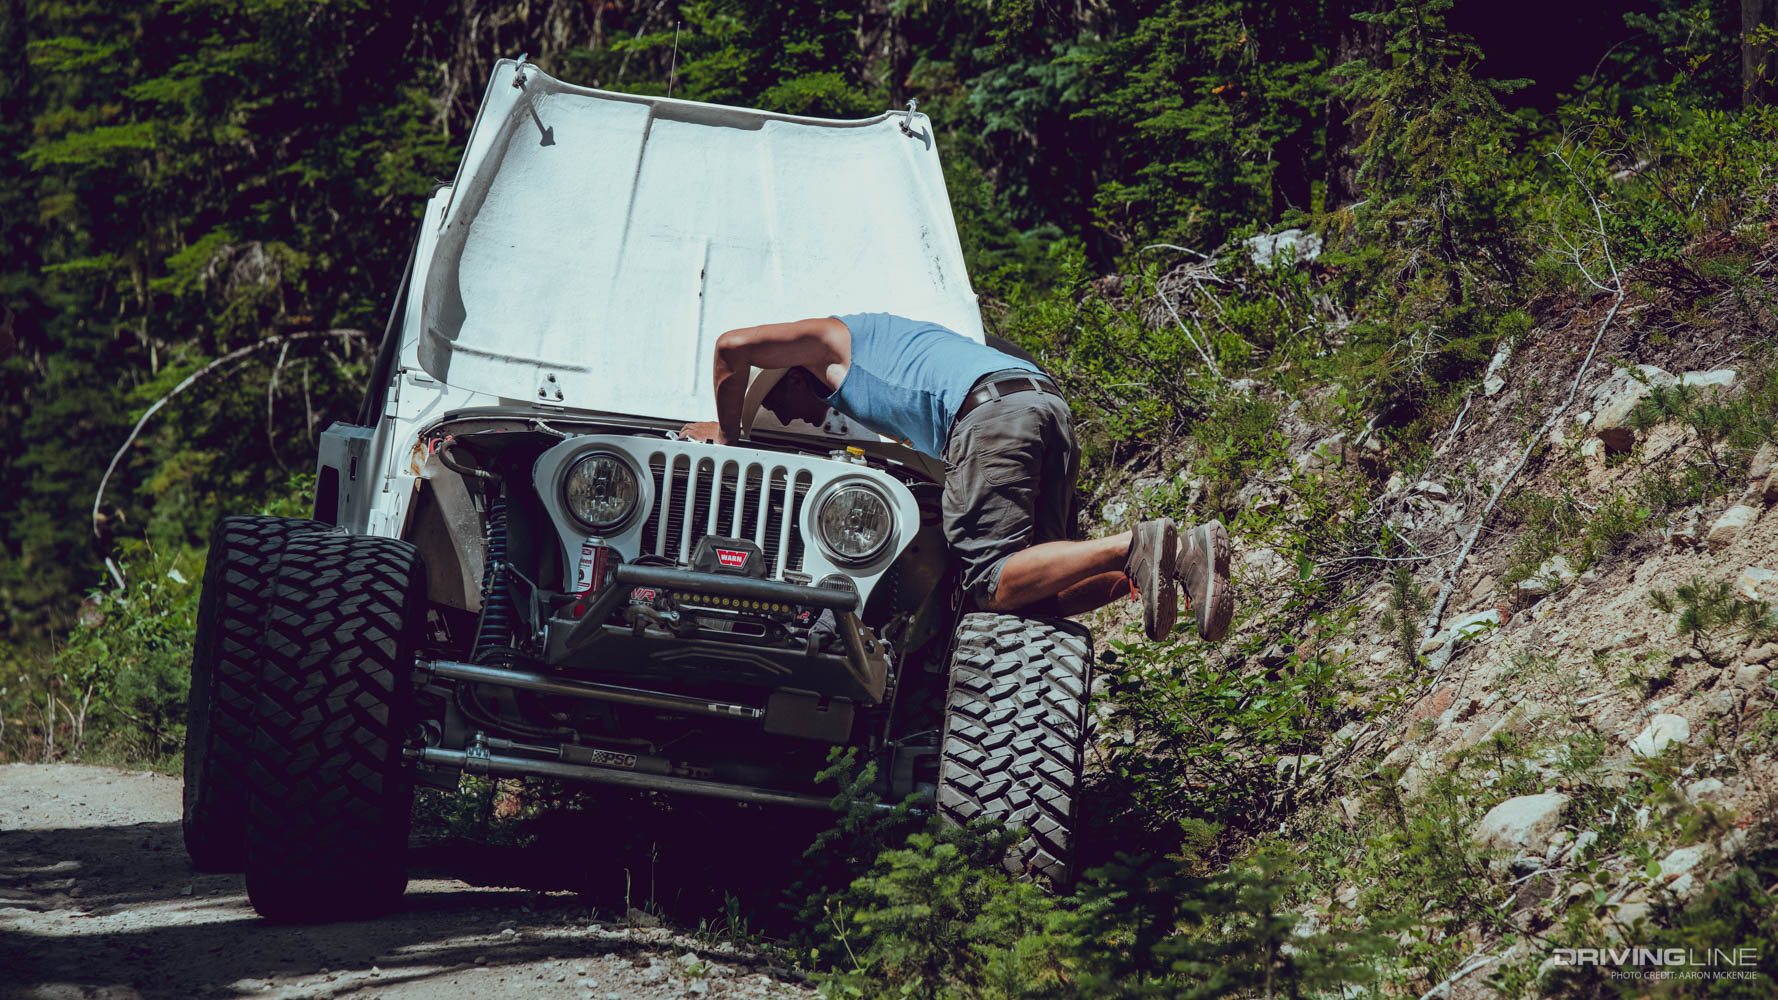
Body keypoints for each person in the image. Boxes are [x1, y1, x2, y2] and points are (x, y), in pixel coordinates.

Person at [679, 313, 1232, 641]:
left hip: (991, 416)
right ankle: (1173, 558)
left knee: (990, 580)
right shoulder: (897, 362)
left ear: (792, 369)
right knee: (1031, 594)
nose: (793, 418)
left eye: (779, 400)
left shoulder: (831, 339)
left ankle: (1132, 545)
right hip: (1043, 404)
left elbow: (732, 347)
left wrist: (730, 436)